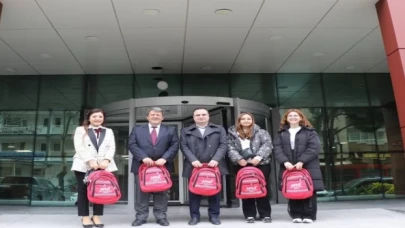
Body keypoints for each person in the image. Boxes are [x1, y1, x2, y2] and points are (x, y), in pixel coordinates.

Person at [128, 107, 179, 227]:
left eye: (158, 115)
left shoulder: (171, 130)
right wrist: (143, 157)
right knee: (142, 192)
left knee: (161, 192)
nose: (155, 116)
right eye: (152, 115)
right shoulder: (137, 129)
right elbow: (132, 144)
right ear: (147, 117)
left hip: (163, 166)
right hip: (142, 166)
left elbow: (175, 145)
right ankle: (141, 217)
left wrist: (164, 158)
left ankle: (161, 217)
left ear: (162, 117)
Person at [273, 109, 324, 223]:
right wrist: (285, 162)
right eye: (290, 116)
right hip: (288, 166)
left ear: (301, 118)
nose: (293, 117)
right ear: (286, 118)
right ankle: (296, 214)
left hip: (308, 165)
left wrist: (301, 161)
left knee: (308, 189)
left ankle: (309, 215)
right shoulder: (281, 133)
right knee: (293, 188)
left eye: (296, 115)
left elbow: (314, 148)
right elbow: (277, 149)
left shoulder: (310, 132)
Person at [180, 108, 229, 226]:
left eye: (203, 114)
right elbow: (184, 146)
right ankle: (194, 216)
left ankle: (214, 216)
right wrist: (193, 160)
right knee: (194, 193)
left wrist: (216, 159)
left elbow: (224, 145)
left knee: (214, 192)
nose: (201, 117)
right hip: (194, 165)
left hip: (214, 165)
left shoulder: (219, 129)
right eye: (198, 115)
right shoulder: (186, 130)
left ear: (208, 116)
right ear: (194, 117)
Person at [71, 108, 118, 228]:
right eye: (95, 116)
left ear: (103, 119)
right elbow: (79, 147)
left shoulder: (109, 131)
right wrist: (90, 161)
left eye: (100, 117)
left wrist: (107, 160)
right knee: (83, 191)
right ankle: (85, 216)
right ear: (89, 118)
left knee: (101, 191)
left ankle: (97, 216)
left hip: (103, 166)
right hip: (83, 165)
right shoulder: (80, 130)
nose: (97, 119)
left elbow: (111, 147)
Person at [227, 112, 273, 223]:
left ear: (252, 120)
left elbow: (267, 144)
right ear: (239, 121)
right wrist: (238, 159)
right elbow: (229, 148)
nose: (246, 120)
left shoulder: (261, 132)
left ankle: (265, 214)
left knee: (262, 188)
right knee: (246, 188)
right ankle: (249, 214)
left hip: (261, 164)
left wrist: (258, 157)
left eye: (249, 118)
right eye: (243, 119)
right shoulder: (232, 133)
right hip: (241, 165)